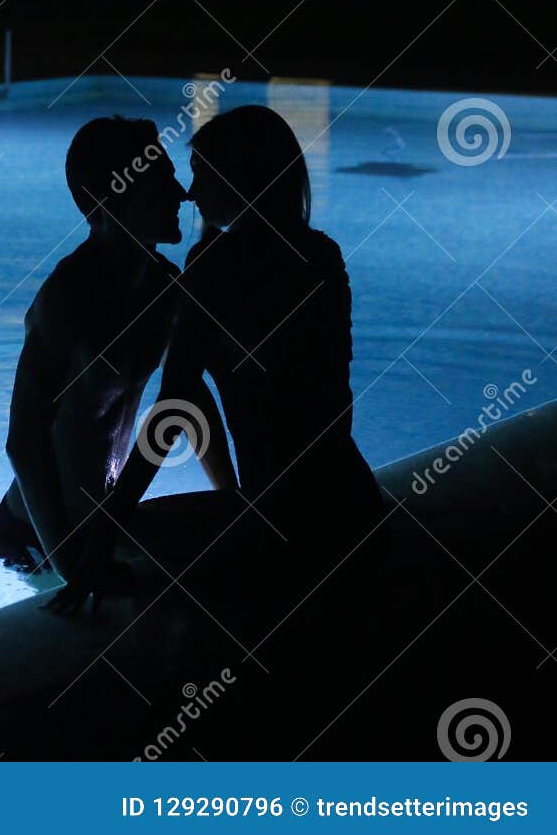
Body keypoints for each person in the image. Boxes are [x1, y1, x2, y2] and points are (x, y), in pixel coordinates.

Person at [54, 104, 385, 612]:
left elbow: (174, 405)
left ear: (239, 181)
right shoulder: (321, 255)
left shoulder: (213, 271)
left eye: (202, 176)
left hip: (279, 521)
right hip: (351, 502)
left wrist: (103, 533)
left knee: (126, 543)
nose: (189, 192)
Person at [0, 115, 235, 583]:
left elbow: (186, 399)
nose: (181, 192)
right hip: (37, 535)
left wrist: (231, 496)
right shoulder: (67, 296)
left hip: (101, 522)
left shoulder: (164, 288)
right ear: (110, 199)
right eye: (161, 180)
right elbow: (23, 441)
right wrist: (68, 566)